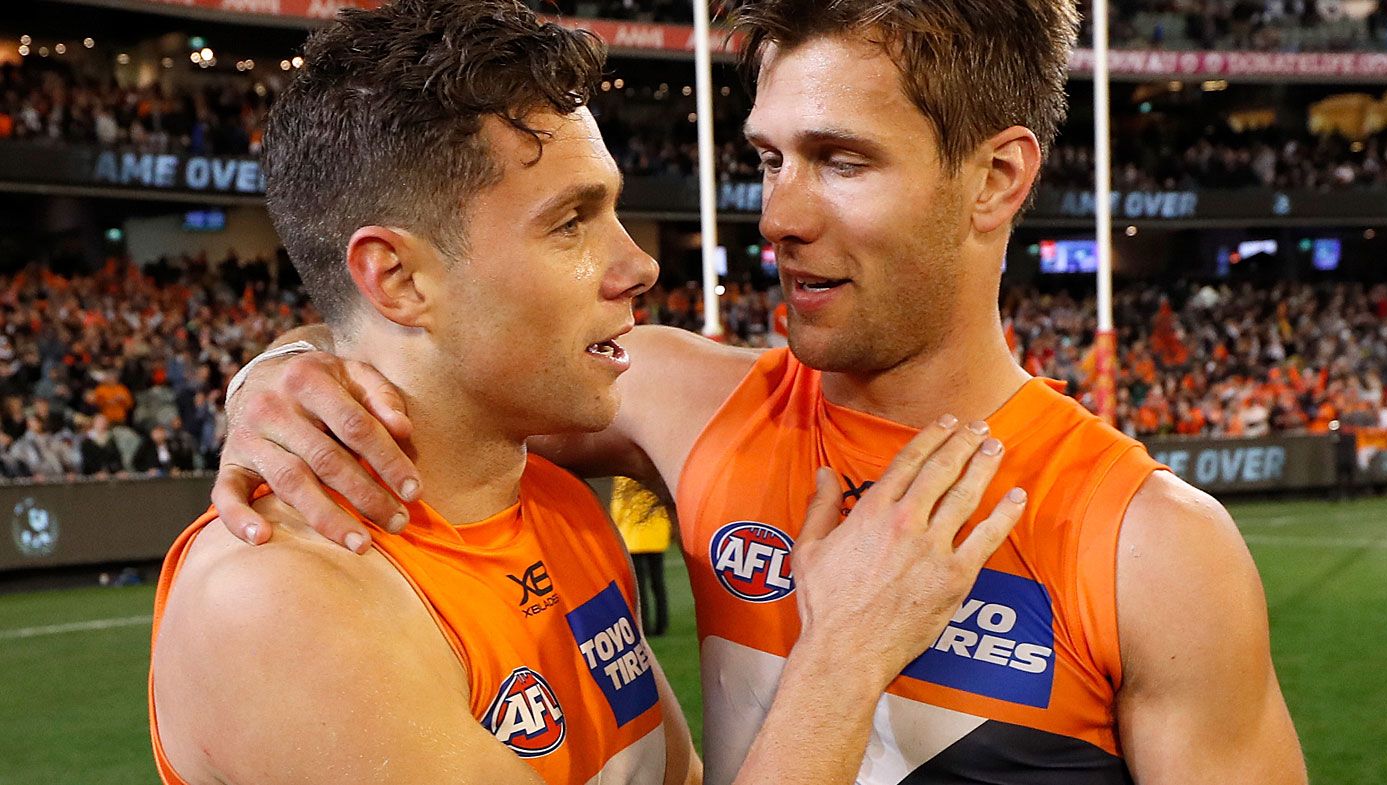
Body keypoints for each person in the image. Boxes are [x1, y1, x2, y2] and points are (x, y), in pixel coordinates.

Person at [214, 0, 1306, 782]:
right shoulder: (679, 399)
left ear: (997, 176)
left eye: (839, 160)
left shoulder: (1150, 545)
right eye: (769, 157)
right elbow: (433, 344)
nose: (778, 215)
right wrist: (281, 376)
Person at [151, 2, 1025, 785]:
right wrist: (843, 656)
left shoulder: (561, 508)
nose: (637, 264)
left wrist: (270, 367)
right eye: (571, 222)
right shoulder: (276, 602)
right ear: (398, 278)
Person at [609, 476, 673, 636]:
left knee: (640, 587)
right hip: (656, 536)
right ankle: (662, 624)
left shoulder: (622, 480)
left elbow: (618, 509)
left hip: (634, 540)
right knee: (658, 583)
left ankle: (644, 626)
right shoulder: (650, 477)